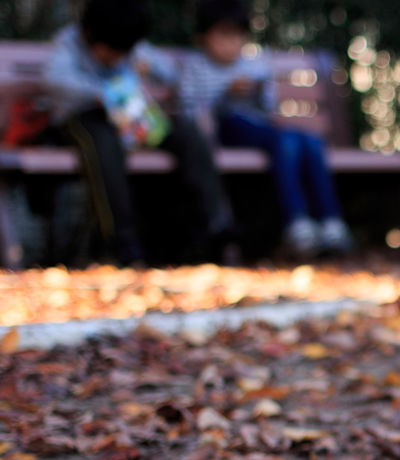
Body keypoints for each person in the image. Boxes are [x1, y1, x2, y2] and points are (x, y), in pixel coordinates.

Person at [43, 0, 234, 265]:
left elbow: (171, 73)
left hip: (133, 117)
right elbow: (55, 80)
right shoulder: (68, 42)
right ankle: (120, 242)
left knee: (185, 133)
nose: (119, 58)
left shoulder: (130, 43)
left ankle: (217, 228)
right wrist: (99, 93)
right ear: (88, 35)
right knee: (104, 145)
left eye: (125, 52)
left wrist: (148, 69)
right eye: (111, 52)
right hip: (84, 118)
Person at [182, 0, 354, 258]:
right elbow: (190, 113)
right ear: (203, 37)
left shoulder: (253, 64)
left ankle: (330, 221)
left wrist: (258, 90)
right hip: (225, 128)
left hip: (260, 128)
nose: (231, 44)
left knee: (310, 140)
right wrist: (225, 95)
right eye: (223, 35)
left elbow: (268, 108)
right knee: (286, 140)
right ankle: (296, 221)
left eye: (237, 36)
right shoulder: (194, 67)